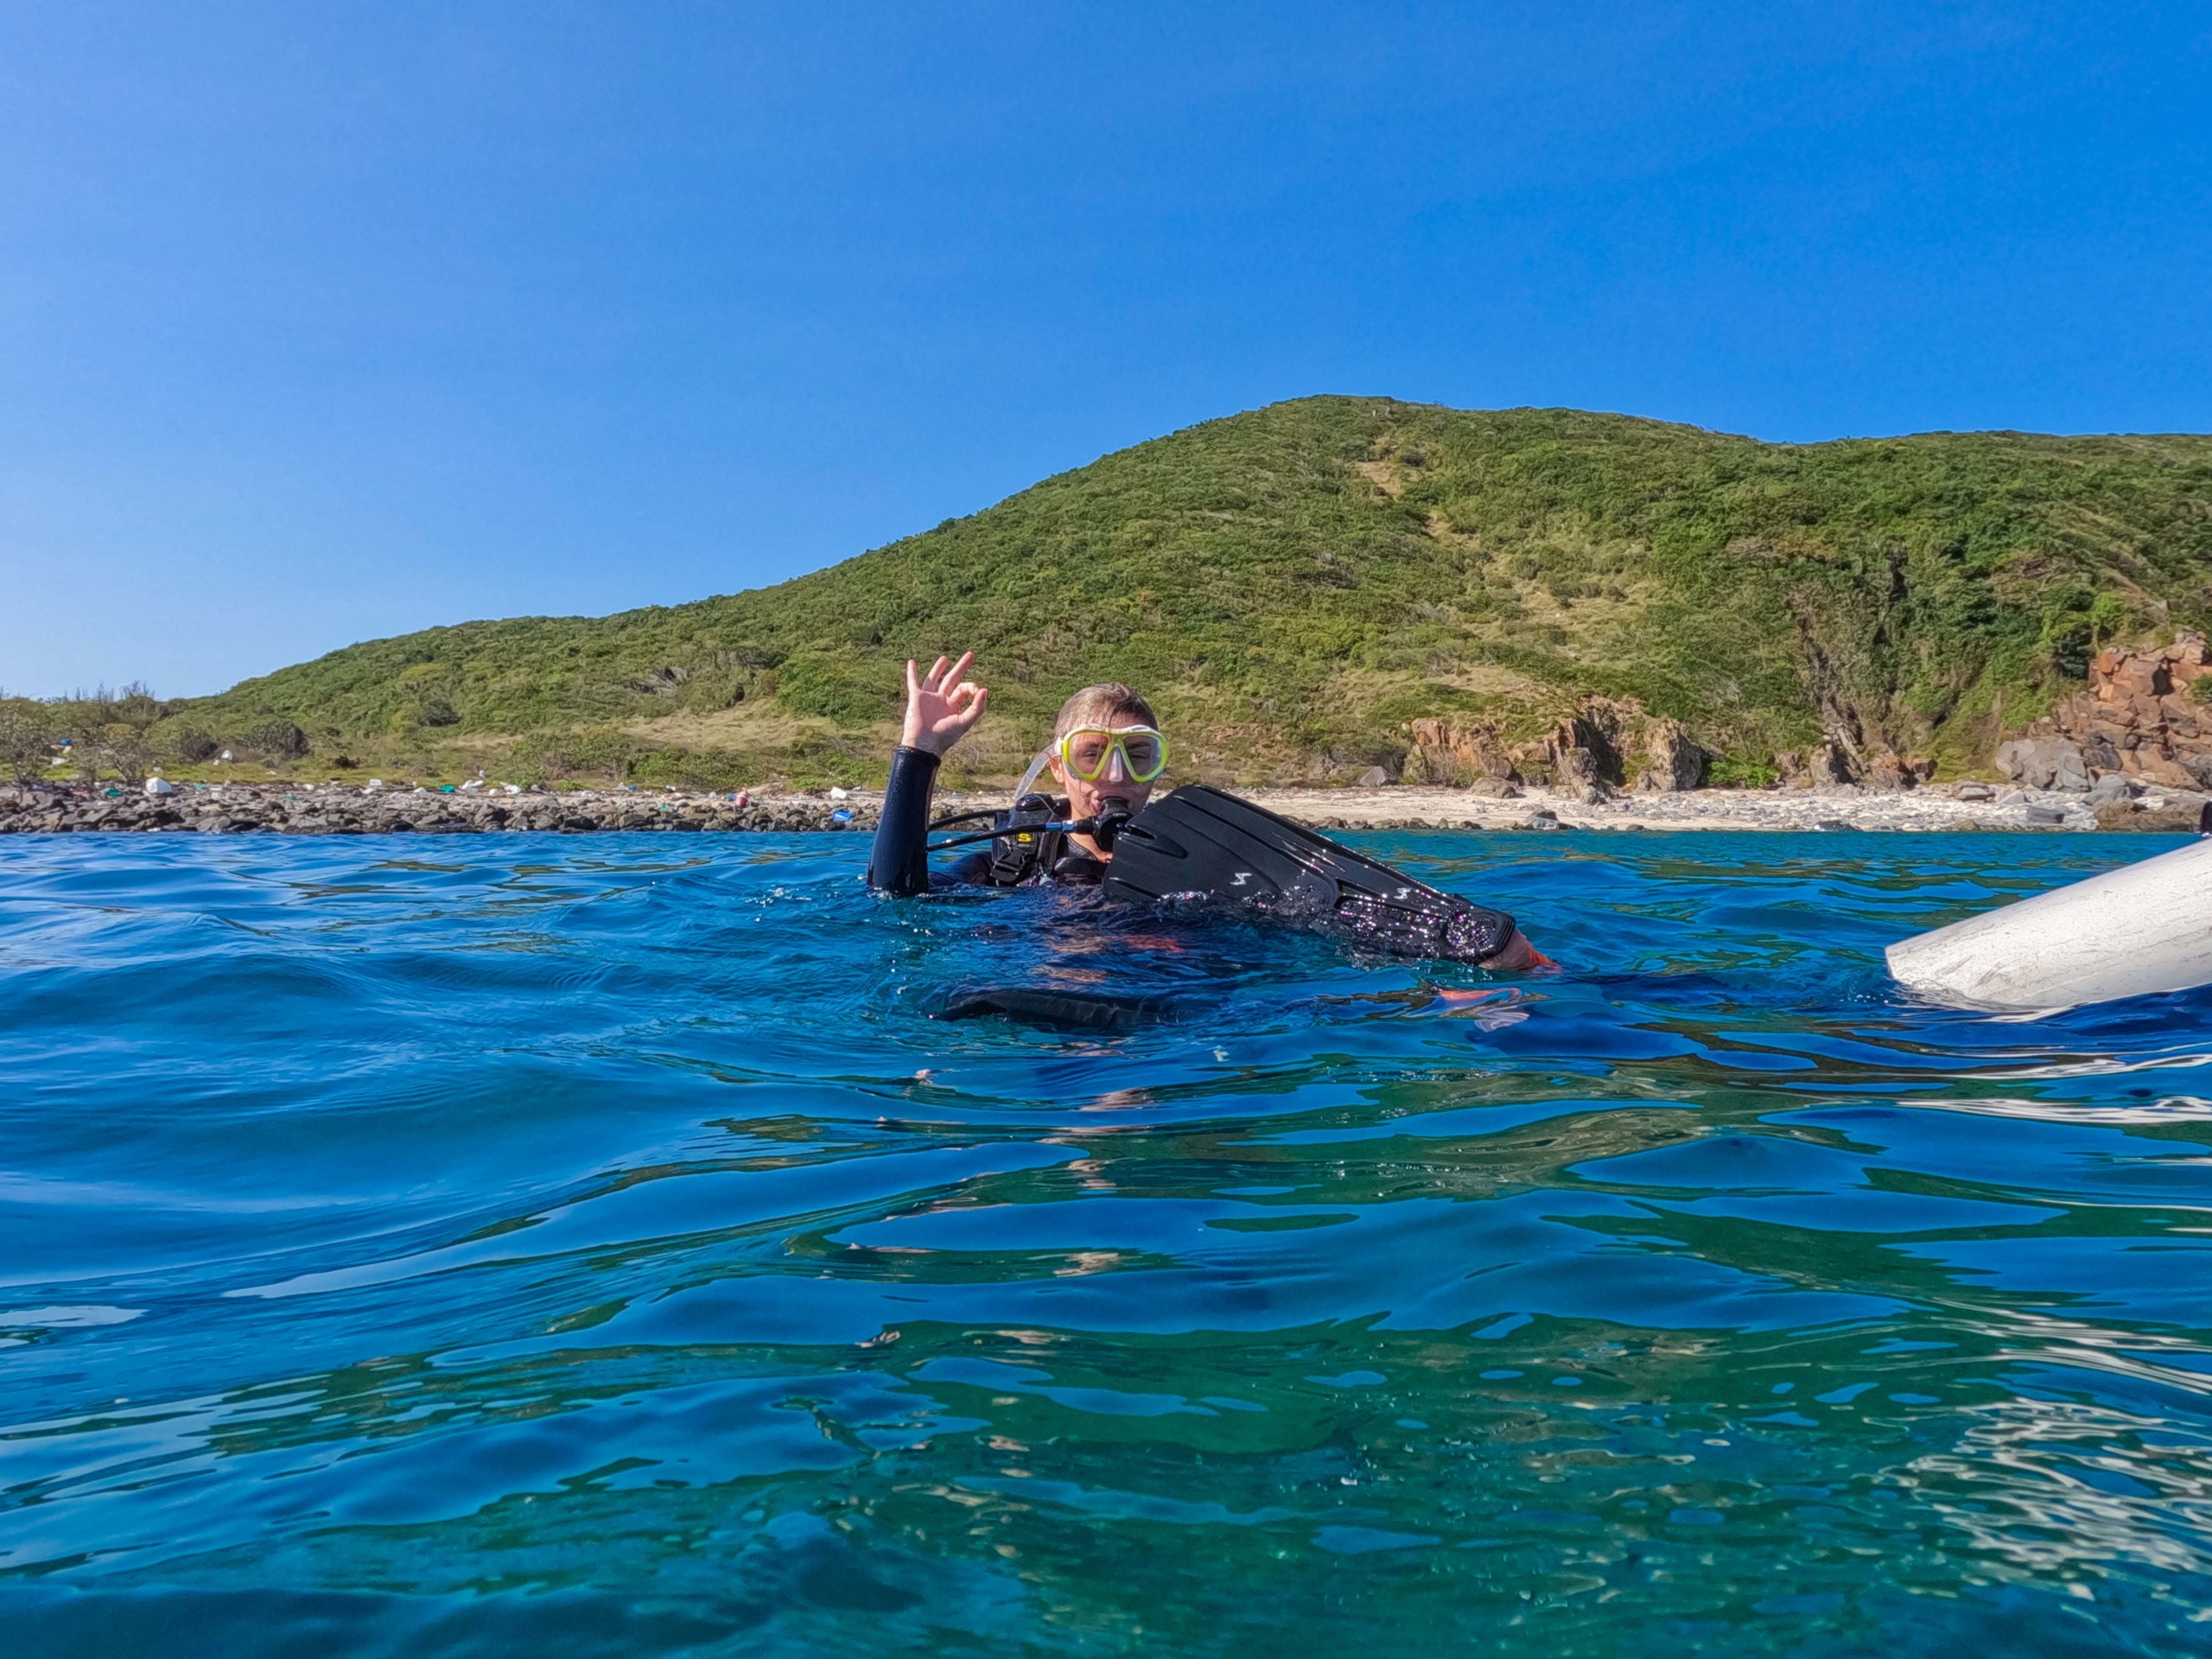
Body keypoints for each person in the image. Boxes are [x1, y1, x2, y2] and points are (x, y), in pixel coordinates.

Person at [868, 652, 1166, 894]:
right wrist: (919, 752)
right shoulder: (1011, 866)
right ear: (1058, 767)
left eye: (1137, 756)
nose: (1115, 774)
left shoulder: (1187, 858)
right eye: (1091, 755)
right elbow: (894, 895)